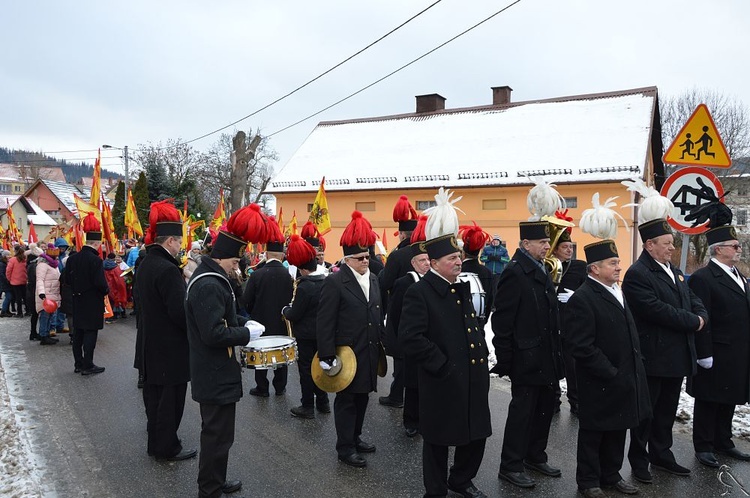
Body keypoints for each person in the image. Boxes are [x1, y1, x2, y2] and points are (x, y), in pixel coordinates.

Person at [400, 188, 492, 498]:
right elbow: (411, 338)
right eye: (452, 257)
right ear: (435, 262)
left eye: (460, 256)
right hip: (442, 379)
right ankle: (436, 490)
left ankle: (461, 480)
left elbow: (470, 327)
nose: (459, 261)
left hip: (472, 376)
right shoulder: (420, 292)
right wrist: (442, 364)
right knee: (438, 440)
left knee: (476, 432)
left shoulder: (459, 287)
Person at [186, 204, 266, 498]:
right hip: (214, 372)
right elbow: (214, 333)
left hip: (217, 371)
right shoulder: (209, 284)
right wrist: (246, 333)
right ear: (221, 257)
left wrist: (245, 322)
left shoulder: (215, 279)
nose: (237, 265)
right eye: (235, 260)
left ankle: (215, 482)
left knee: (221, 436)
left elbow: (224, 317)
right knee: (216, 436)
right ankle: (209, 490)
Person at [622, 217, 708, 483]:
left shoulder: (674, 270)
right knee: (646, 413)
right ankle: (639, 460)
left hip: (677, 355)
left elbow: (693, 300)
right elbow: (656, 310)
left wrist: (701, 315)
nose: (672, 248)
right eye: (667, 243)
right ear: (649, 245)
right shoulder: (638, 274)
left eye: (672, 243)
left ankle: (662, 454)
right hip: (653, 356)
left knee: (666, 410)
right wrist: (693, 321)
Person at [565, 239, 650, 498]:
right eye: (612, 263)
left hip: (624, 376)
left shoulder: (616, 290)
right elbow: (581, 346)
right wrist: (610, 372)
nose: (618, 268)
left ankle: (611, 475)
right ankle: (589, 481)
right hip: (599, 380)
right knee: (594, 433)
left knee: (617, 429)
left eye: (618, 263)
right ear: (594, 269)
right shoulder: (584, 297)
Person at [492, 220, 564, 489]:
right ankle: (510, 464)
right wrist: (506, 358)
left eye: (548, 242)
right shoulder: (514, 272)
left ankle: (535, 455)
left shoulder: (539, 267)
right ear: (525, 244)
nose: (548, 246)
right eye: (543, 243)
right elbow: (502, 320)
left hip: (546, 353)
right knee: (523, 412)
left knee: (545, 408)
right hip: (526, 356)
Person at [317, 211, 383, 468]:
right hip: (346, 352)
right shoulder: (335, 282)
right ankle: (344, 447)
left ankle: (355, 437)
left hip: (368, 349)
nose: (367, 261)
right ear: (347, 259)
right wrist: (326, 354)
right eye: (361, 258)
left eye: (368, 256)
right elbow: (324, 321)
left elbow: (378, 314)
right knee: (346, 401)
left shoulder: (374, 279)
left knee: (363, 397)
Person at [134, 201, 196, 462]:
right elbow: (180, 313)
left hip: (149, 344)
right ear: (170, 240)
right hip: (170, 349)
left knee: (155, 401)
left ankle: (156, 443)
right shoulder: (169, 270)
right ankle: (167, 447)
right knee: (170, 402)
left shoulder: (146, 263)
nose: (181, 246)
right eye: (179, 241)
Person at [687, 224, 750, 467]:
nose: (739, 249)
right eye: (734, 246)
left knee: (729, 397)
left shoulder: (738, 275)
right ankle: (703, 445)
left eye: (739, 246)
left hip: (737, 351)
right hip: (715, 350)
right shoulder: (704, 277)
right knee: (709, 398)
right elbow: (703, 316)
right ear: (718, 249)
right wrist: (704, 353)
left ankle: (723, 440)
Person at [242, 219, 293, 397]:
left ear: (266, 253)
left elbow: (246, 300)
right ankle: (280, 387)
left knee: (261, 352)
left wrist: (253, 312)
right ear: (281, 255)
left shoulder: (257, 274)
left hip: (260, 320)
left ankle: (262, 387)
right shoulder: (289, 276)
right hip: (281, 321)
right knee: (281, 352)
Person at [378, 195, 419, 409]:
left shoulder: (398, 255)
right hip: (423, 309)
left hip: (400, 310)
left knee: (402, 356)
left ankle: (397, 396)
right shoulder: (427, 252)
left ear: (402, 233)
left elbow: (384, 283)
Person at [282, 234, 330, 419]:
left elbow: (295, 314)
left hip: (306, 335)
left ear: (302, 268)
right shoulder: (326, 280)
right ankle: (324, 402)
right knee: (320, 368)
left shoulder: (304, 286)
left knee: (307, 370)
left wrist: (285, 310)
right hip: (322, 333)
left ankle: (308, 406)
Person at [62, 213, 110, 375]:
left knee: (78, 332)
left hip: (77, 300)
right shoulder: (95, 260)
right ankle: (88, 365)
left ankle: (78, 364)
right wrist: (106, 291)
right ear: (96, 243)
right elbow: (100, 283)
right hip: (92, 302)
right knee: (90, 333)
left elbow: (66, 279)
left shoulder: (72, 259)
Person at [552, 215, 587, 415]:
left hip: (572, 324)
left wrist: (576, 297)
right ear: (555, 249)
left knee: (573, 366)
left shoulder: (580, 267)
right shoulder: (548, 266)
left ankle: (576, 401)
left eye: (571, 246)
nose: (569, 250)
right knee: (554, 363)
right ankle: (554, 399)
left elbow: (589, 289)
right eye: (564, 247)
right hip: (553, 322)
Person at [459, 222, 494, 329]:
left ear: (463, 254)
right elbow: (490, 299)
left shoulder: (457, 271)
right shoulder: (487, 272)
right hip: (480, 323)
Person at [36, 243, 63, 346]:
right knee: (45, 316)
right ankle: (43, 336)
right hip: (46, 294)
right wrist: (41, 293)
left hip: (53, 293)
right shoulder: (42, 265)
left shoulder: (54, 265)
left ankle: (46, 334)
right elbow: (40, 280)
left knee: (50, 315)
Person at [25, 244, 42, 341]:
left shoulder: (30, 265)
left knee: (35, 314)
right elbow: (35, 280)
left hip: (31, 291)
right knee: (35, 314)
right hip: (33, 292)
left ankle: (33, 332)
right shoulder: (34, 267)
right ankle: (33, 333)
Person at [103, 253, 127, 320]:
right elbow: (119, 280)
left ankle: (109, 315)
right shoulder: (115, 268)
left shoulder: (102, 266)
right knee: (118, 299)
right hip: (114, 286)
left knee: (108, 301)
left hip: (105, 286)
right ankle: (119, 314)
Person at [6, 245, 28, 318]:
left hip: (15, 281)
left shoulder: (13, 260)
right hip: (24, 280)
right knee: (25, 297)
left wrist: (9, 279)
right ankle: (28, 311)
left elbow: (8, 271)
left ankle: (19, 312)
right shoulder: (25, 259)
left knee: (18, 298)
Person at [0, 250, 12, 317]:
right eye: (8, 255)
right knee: (8, 297)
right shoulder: (2, 264)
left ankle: (7, 310)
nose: (9, 256)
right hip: (5, 283)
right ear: (4, 256)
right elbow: (1, 274)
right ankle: (3, 311)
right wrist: (7, 280)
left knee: (9, 297)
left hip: (5, 283)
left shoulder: (4, 263)